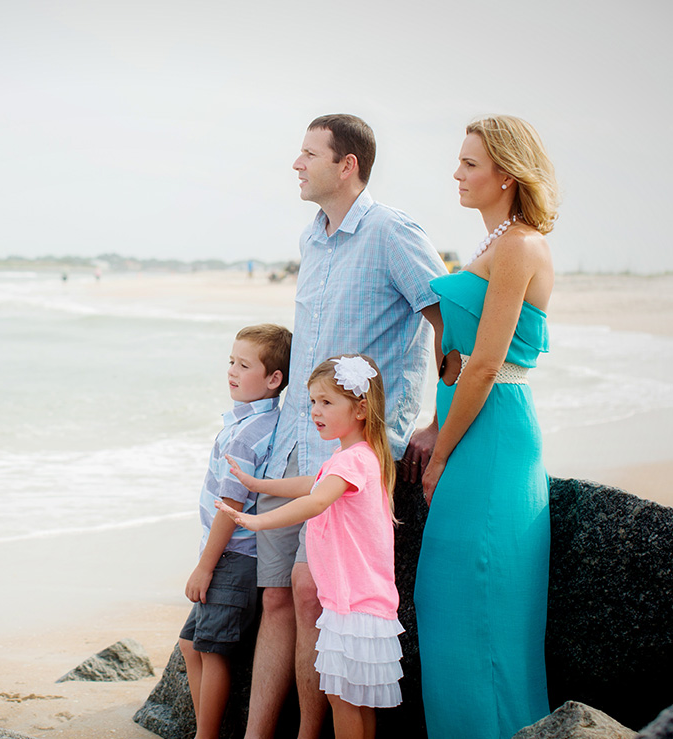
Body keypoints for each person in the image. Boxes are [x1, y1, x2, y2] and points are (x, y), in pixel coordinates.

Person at [249, 114, 447, 739]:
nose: (296, 164)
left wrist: (436, 422)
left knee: (314, 595)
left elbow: (447, 323)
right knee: (278, 596)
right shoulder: (312, 238)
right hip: (293, 437)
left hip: (352, 453)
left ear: (347, 164)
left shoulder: (393, 232)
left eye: (308, 154)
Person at [414, 115, 559, 739]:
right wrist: (430, 422)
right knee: (443, 601)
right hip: (464, 425)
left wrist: (442, 453)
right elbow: (458, 359)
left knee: (480, 606)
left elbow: (489, 365)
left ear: (506, 172)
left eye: (470, 163)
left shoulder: (522, 244)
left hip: (493, 440)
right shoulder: (488, 244)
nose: (457, 174)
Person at [218, 354, 403, 739]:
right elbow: (309, 485)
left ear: (361, 409)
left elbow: (316, 501)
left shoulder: (351, 462)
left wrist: (256, 520)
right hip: (365, 605)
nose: (315, 412)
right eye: (313, 402)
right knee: (357, 702)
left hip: (351, 605)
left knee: (343, 701)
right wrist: (256, 485)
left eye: (327, 402)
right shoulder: (357, 457)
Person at [180, 323, 293, 739]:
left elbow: (230, 506)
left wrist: (204, 568)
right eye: (231, 361)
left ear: (273, 379)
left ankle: (206, 734)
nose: (231, 371)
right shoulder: (248, 422)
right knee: (191, 645)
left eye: (244, 365)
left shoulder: (248, 434)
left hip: (235, 557)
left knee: (212, 651)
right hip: (228, 554)